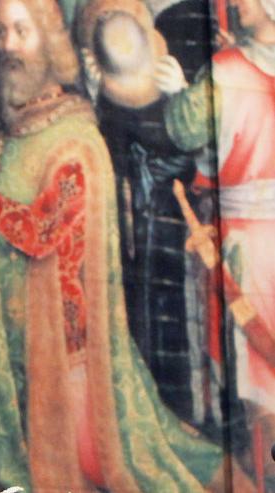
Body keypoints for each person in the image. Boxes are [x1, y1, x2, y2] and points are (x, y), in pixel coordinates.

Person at [0, 0, 252, 489]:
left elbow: (40, 235)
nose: (6, 45)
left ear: (48, 38)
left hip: (62, 352)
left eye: (21, 31)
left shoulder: (75, 136)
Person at [156, 0, 275, 485]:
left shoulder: (224, 72)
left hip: (246, 245)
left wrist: (177, 91)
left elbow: (182, 130)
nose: (233, 3)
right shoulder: (230, 67)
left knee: (256, 378)